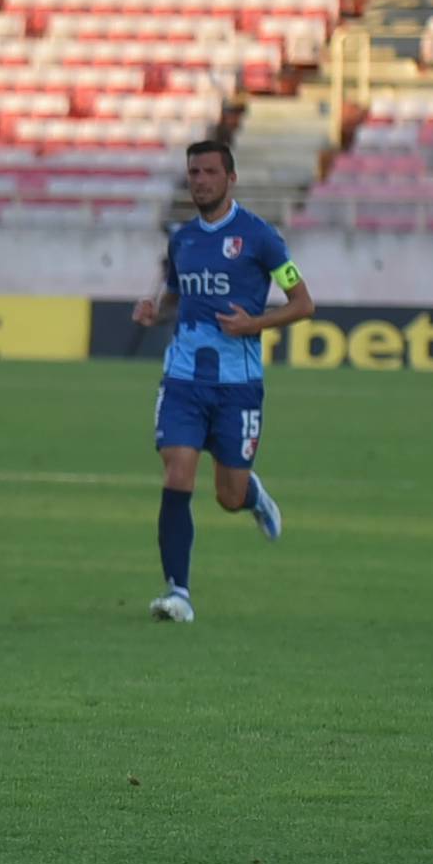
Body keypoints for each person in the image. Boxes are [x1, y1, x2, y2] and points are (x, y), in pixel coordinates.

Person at [130, 139, 315, 624]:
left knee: (228, 495)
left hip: (238, 383)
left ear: (230, 178)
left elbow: (303, 303)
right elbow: (176, 298)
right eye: (194, 172)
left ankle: (252, 495)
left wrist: (255, 324)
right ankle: (178, 592)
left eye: (210, 172)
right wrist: (155, 312)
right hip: (183, 378)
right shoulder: (182, 241)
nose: (201, 181)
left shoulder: (261, 237)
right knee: (178, 474)